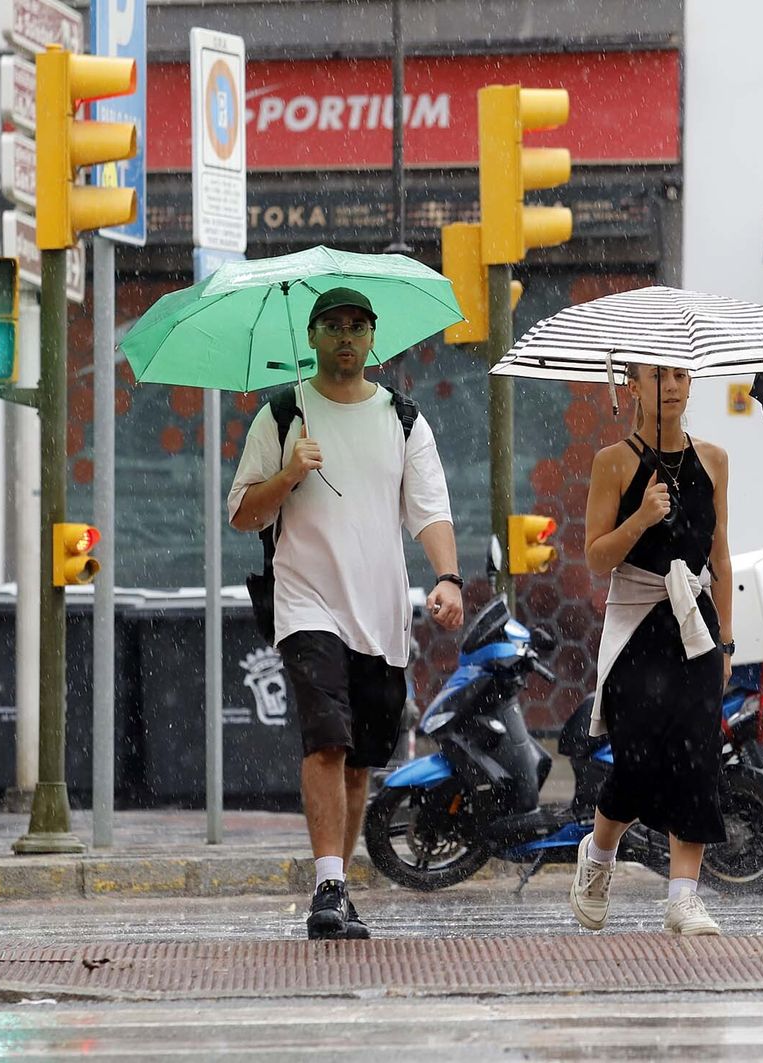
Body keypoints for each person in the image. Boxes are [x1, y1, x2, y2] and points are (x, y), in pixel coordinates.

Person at [227, 287, 465, 940]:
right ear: (311, 336)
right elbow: (244, 513)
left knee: (360, 758)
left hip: (381, 613)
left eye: (357, 326)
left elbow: (431, 510)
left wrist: (446, 576)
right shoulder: (281, 416)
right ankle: (327, 884)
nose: (345, 336)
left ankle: (341, 880)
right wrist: (286, 476)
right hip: (305, 602)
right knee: (326, 737)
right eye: (332, 325)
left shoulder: (406, 419)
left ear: (372, 339)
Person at [571, 362, 734, 937]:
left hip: (696, 625)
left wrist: (728, 644)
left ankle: (682, 898)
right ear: (632, 387)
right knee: (637, 765)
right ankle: (599, 855)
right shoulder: (612, 462)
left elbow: (721, 558)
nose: (671, 386)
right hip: (637, 624)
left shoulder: (714, 459)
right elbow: (596, 557)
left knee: (696, 759)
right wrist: (640, 518)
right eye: (657, 375)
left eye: (681, 375)